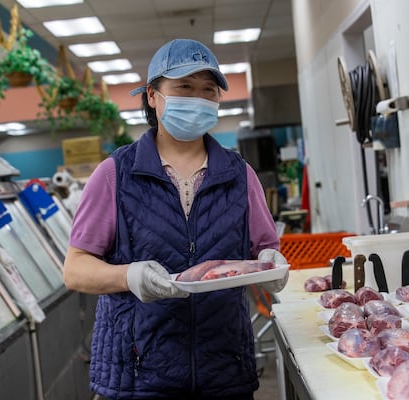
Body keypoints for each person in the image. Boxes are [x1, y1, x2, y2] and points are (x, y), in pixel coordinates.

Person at [63, 38, 288, 400]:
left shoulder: (239, 175)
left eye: (208, 91)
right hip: (139, 376)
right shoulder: (115, 175)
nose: (197, 99)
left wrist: (270, 264)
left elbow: (264, 249)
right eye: (184, 87)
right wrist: (129, 275)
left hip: (223, 370)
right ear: (153, 95)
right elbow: (75, 269)